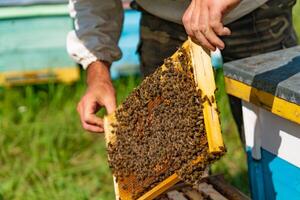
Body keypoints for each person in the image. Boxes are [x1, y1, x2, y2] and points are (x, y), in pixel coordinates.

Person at [67, 0, 298, 134]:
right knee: (167, 149)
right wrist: (98, 73)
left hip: (252, 9)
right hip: (163, 16)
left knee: (279, 143)